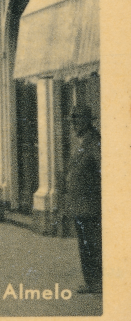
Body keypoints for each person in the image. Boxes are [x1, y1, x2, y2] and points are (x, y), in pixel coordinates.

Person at [66, 105, 102, 294]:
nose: (73, 123)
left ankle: (96, 283)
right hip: (80, 204)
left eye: (77, 118)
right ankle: (91, 282)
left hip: (90, 204)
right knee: (85, 244)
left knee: (92, 244)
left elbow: (102, 169)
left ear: (87, 120)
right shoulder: (82, 141)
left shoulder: (93, 141)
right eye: (72, 119)